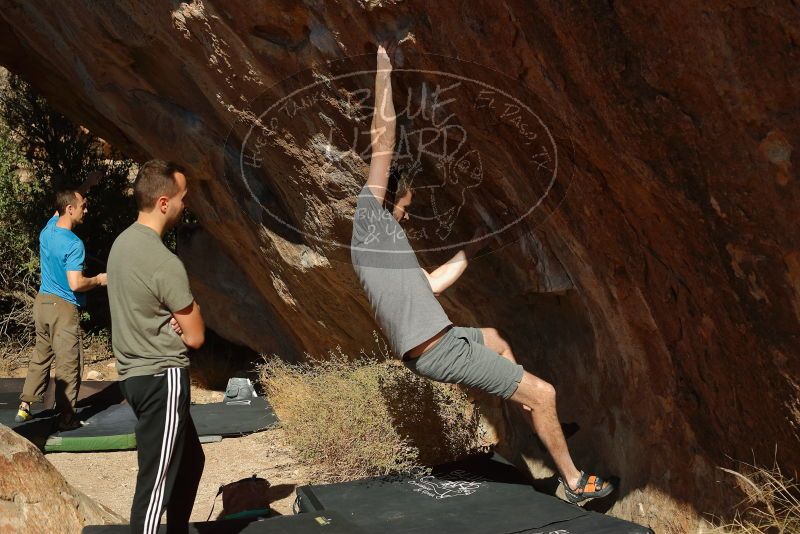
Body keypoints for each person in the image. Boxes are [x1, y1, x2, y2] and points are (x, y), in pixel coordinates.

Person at [350, 44, 617, 504]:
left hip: (444, 342)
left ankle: (525, 431)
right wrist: (383, 70)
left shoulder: (387, 252)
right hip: (437, 350)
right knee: (544, 392)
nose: (407, 217)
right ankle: (574, 482)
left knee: (495, 338)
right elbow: (383, 139)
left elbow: (430, 284)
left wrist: (470, 250)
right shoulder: (370, 221)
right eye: (405, 207)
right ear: (386, 200)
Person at [107, 160, 205, 533]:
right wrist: (192, 311)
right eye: (182, 198)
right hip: (162, 377)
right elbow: (195, 336)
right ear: (164, 203)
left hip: (135, 378)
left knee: (191, 461)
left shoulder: (121, 245)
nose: (186, 205)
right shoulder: (164, 261)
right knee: (156, 483)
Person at [16, 189, 107, 429]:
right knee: (69, 362)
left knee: (41, 356)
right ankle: (66, 417)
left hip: (42, 302)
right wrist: (98, 279)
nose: (85, 210)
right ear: (70, 209)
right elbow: (75, 283)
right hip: (63, 307)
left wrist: (87, 184)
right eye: (83, 206)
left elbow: (61, 202)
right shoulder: (74, 244)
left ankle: (25, 406)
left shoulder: (48, 230)